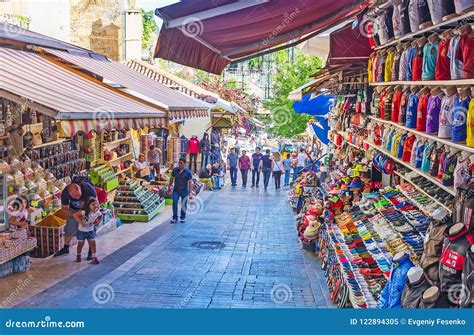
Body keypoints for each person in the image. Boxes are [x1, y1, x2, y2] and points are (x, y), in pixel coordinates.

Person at [54, 181, 97, 257]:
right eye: (74, 197)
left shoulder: (88, 190)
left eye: (78, 196)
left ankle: (91, 251)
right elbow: (64, 208)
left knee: (89, 230)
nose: (77, 198)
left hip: (88, 210)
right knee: (69, 227)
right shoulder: (65, 192)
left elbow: (96, 205)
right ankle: (66, 248)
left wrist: (89, 216)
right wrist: (75, 215)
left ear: (79, 189)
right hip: (74, 210)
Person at [73, 197, 102, 264]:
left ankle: (94, 257)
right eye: (93, 204)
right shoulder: (84, 212)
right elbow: (75, 215)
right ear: (88, 206)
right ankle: (78, 256)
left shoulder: (97, 212)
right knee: (80, 244)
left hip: (90, 231)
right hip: (82, 231)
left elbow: (101, 216)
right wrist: (81, 222)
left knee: (93, 244)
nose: (95, 206)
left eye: (96, 204)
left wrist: (98, 222)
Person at [169, 158, 194, 223]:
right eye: (179, 163)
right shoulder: (175, 170)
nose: (179, 164)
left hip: (184, 190)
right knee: (174, 202)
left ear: (184, 164)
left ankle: (182, 217)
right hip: (176, 190)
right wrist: (169, 187)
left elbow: (190, 182)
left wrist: (190, 192)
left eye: (181, 163)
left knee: (184, 204)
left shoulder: (188, 172)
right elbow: (171, 178)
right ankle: (175, 218)